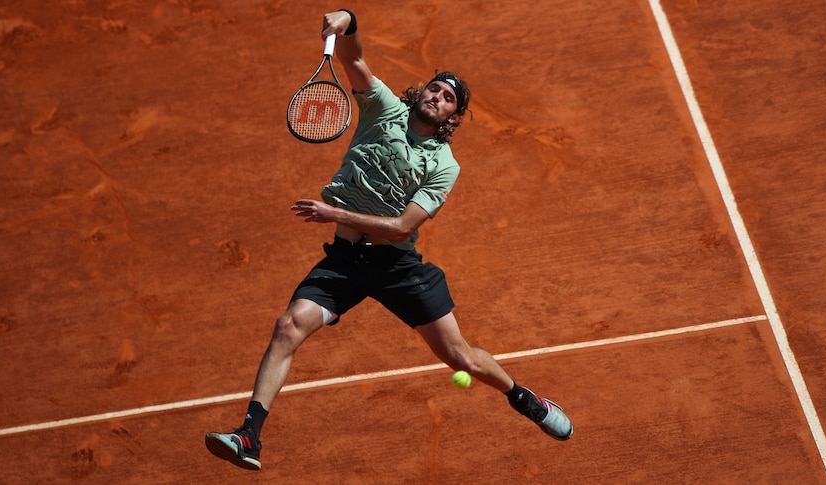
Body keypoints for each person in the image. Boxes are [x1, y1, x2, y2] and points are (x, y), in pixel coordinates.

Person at [205, 9, 573, 471]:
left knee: (461, 357)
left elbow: (401, 227)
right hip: (344, 262)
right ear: (422, 92)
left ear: (453, 117)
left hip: (397, 267)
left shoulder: (444, 166)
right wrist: (349, 22)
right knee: (288, 326)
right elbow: (353, 59)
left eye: (449, 98)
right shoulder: (382, 107)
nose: (438, 97)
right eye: (435, 88)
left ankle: (526, 399)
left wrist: (333, 212)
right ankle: (249, 437)